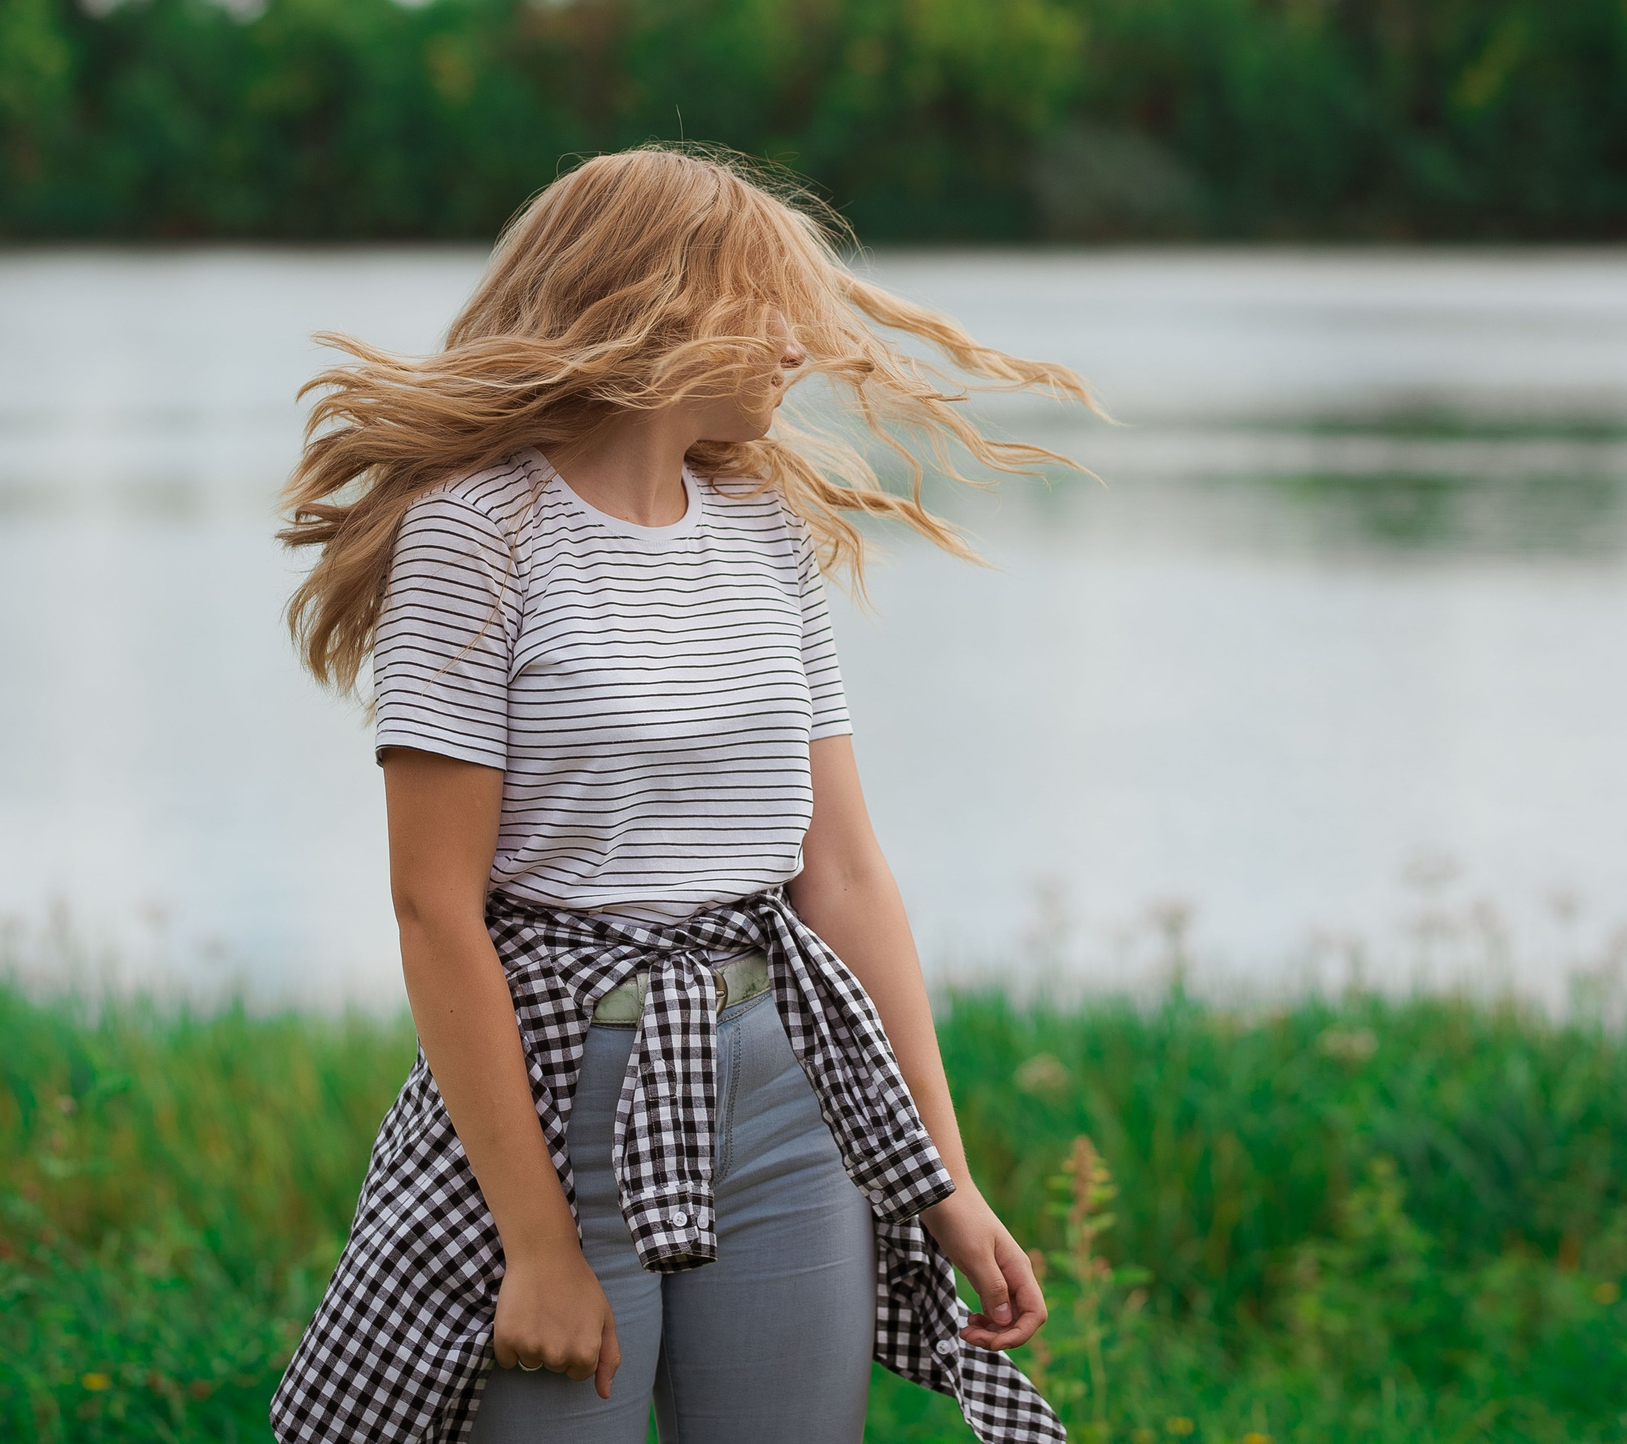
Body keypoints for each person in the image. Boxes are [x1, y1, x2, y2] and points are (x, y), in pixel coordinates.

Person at [271, 146, 1094, 1444]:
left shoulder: (763, 526)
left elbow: (844, 876)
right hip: (563, 1089)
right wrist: (536, 1241)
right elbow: (436, 908)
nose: (807, 344)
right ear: (667, 304)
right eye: (774, 304)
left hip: (788, 1078)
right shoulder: (474, 531)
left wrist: (945, 1182)